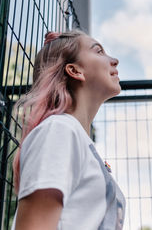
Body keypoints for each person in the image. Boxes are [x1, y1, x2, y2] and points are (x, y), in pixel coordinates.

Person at [11, 29, 126, 230]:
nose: (114, 60)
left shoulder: (74, 137)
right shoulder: (58, 131)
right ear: (75, 71)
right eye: (99, 51)